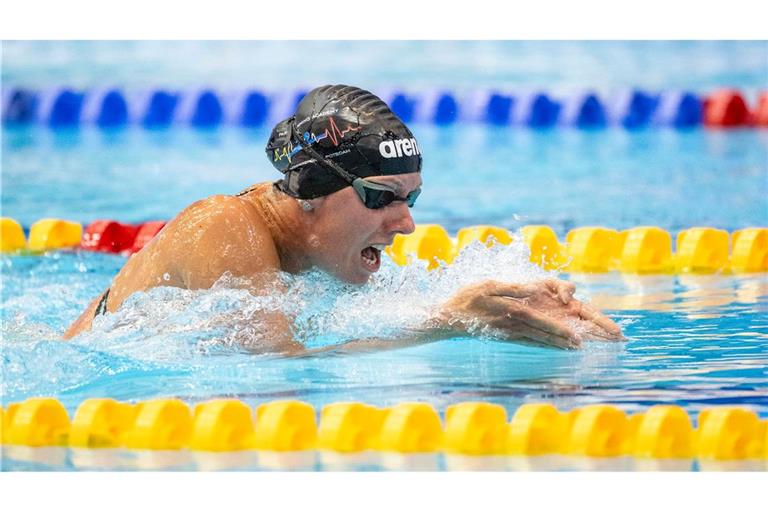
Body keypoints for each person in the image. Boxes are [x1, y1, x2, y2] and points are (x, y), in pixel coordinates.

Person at [64, 84, 624, 353]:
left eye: (412, 199)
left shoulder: (317, 249)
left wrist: (498, 304)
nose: (406, 224)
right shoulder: (224, 227)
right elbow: (272, 378)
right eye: (381, 197)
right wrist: (448, 323)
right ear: (309, 190)